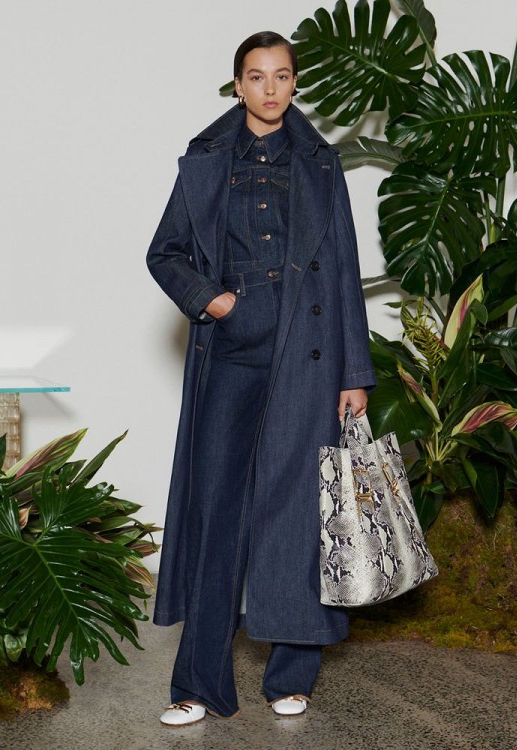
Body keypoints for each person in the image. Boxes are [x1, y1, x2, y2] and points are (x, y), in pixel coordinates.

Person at [146, 30, 376, 727]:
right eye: (256, 76)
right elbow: (164, 253)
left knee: (296, 511)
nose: (270, 88)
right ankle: (198, 684)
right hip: (233, 348)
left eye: (281, 76)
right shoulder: (208, 158)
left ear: (294, 83)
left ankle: (290, 676)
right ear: (238, 84)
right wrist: (216, 303)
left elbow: (343, 268)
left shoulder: (320, 162)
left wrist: (354, 372)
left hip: (308, 351)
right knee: (215, 511)